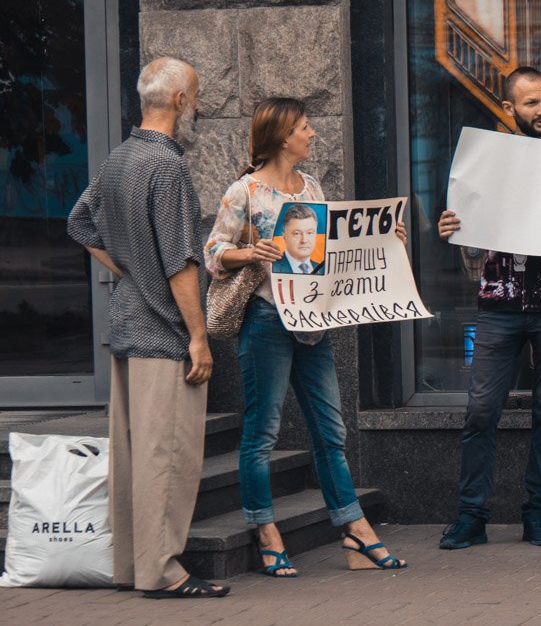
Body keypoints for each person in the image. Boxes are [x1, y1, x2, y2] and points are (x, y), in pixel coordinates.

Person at [205, 97, 406, 576]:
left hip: (314, 324)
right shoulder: (245, 192)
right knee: (262, 433)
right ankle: (266, 531)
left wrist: (382, 238)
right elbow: (214, 252)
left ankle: (355, 530)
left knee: (331, 433)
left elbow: (329, 247)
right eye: (304, 127)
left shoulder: (311, 186)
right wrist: (252, 252)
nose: (313, 133)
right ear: (281, 137)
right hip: (267, 321)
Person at [67, 57, 229, 598]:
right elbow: (181, 264)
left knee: (133, 455)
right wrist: (199, 336)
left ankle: (131, 566)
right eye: (198, 96)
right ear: (180, 101)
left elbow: (80, 222)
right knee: (167, 454)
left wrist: (127, 268)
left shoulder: (117, 159)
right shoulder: (167, 166)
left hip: (127, 326)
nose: (199, 105)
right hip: (163, 335)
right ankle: (162, 571)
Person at [436, 67, 541, 549]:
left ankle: (539, 514)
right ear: (509, 108)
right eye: (532, 103)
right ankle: (471, 515)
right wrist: (454, 231)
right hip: (499, 304)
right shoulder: (484, 162)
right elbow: (470, 247)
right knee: (479, 411)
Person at [272, 204, 324, 274]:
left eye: (309, 233)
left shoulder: (321, 268)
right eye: (297, 233)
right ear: (283, 235)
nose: (304, 240)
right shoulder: (272, 267)